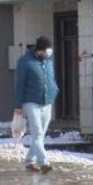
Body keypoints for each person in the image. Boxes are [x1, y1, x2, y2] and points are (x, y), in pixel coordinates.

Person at [15, 36, 59, 174]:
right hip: (31, 101)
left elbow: (51, 79)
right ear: (40, 49)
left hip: (47, 102)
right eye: (47, 49)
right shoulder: (25, 62)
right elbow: (19, 84)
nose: (49, 52)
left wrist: (55, 90)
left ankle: (29, 162)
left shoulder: (48, 62)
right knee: (38, 133)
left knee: (39, 135)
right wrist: (18, 105)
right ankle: (44, 162)